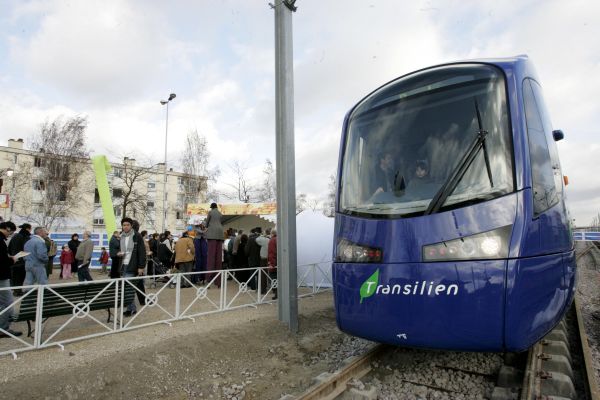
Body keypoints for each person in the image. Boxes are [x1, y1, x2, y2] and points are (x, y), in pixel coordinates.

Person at [118, 218, 146, 316]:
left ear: (131, 226)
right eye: (124, 225)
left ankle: (131, 309)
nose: (125, 227)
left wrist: (141, 266)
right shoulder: (120, 236)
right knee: (127, 287)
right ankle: (131, 307)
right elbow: (117, 250)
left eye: (127, 225)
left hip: (132, 265)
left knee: (128, 288)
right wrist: (119, 253)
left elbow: (142, 252)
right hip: (123, 265)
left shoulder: (136, 236)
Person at [0, 221, 22, 338]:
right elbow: (2, 261)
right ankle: (3, 328)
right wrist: (12, 260)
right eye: (11, 232)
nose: (10, 235)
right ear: (7, 228)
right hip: (1, 277)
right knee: (7, 303)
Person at [8, 223, 32, 296]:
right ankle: (18, 291)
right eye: (30, 229)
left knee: (15, 276)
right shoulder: (25, 237)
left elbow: (9, 248)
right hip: (22, 260)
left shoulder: (15, 236)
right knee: (20, 277)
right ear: (27, 229)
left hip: (14, 259)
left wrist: (12, 256)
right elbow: (27, 249)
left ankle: (16, 290)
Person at [205, 203, 224, 287]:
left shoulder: (210, 212)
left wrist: (206, 227)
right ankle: (218, 282)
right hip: (220, 234)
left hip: (212, 234)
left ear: (211, 207)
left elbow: (207, 223)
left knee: (211, 258)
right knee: (218, 259)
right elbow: (220, 222)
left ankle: (208, 279)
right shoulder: (220, 213)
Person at [256, 228, 270, 294]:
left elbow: (257, 240)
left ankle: (263, 290)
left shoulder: (265, 239)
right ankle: (272, 288)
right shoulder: (270, 239)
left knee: (263, 275)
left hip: (264, 259)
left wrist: (261, 235)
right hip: (270, 258)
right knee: (270, 274)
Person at [267, 228, 277, 300]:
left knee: (273, 278)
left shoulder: (272, 240)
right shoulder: (279, 239)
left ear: (272, 234)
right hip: (280, 262)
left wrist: (271, 263)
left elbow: (271, 253)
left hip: (274, 262)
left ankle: (276, 293)